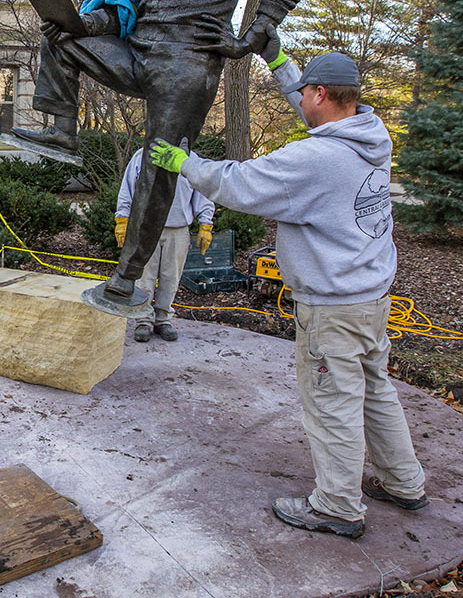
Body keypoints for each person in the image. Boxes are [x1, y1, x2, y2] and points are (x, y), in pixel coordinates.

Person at [11, 0, 326, 313]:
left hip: (187, 68)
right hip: (139, 53)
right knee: (60, 41)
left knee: (158, 168)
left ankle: (126, 277)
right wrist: (81, 25)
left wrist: (249, 38)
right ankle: (62, 133)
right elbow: (123, 9)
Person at [148, 29, 427, 539]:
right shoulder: (370, 134)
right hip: (369, 297)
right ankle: (404, 483)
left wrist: (184, 163)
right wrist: (277, 59)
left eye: (304, 92)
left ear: (320, 95)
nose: (298, 99)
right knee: (374, 389)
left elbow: (239, 183)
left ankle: (338, 507)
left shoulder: (315, 160)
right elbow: (311, 110)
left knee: (331, 402)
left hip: (331, 308)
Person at [115, 150, 214, 342]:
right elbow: (127, 188)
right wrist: (122, 219)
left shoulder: (190, 160)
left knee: (171, 278)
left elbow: (202, 192)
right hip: (146, 228)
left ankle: (163, 319)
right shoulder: (142, 156)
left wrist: (205, 224)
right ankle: (143, 320)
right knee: (144, 278)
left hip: (178, 229)